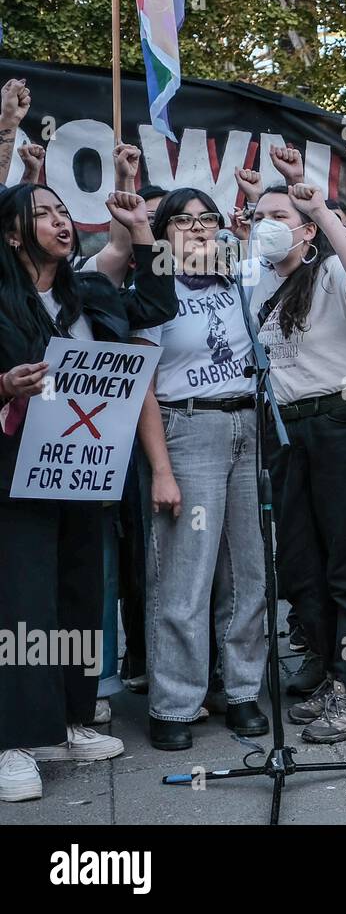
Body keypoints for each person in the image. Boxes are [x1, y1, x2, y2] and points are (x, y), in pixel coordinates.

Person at [0, 183, 174, 801]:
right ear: (15, 233)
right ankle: (14, 741)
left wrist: (141, 232)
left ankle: (70, 719)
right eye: (42, 212)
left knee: (79, 597)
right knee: (24, 606)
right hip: (15, 480)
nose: (60, 219)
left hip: (82, 473)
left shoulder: (89, 290)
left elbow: (156, 305)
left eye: (63, 209)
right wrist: (3, 385)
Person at [246, 183, 346, 743]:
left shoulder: (330, 273)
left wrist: (322, 212)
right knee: (303, 564)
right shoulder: (255, 283)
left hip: (340, 423)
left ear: (305, 232)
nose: (267, 225)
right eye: (260, 216)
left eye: (279, 216)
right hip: (284, 430)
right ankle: (334, 673)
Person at [133, 188, 270, 751]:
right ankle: (175, 702)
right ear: (162, 232)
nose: (196, 228)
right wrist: (160, 468)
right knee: (184, 574)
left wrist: (256, 207)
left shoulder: (239, 283)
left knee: (248, 572)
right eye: (183, 220)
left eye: (206, 219)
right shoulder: (153, 292)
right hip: (186, 429)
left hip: (248, 425)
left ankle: (240, 692)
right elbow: (140, 383)